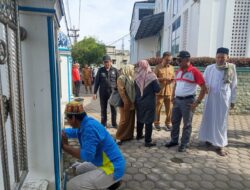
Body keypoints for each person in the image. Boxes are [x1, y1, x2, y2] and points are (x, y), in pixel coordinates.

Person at [62, 101, 125, 190]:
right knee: (79, 169)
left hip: (112, 168)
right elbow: (74, 132)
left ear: (73, 118)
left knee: (71, 186)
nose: (67, 121)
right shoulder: (84, 123)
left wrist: (65, 147)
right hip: (102, 162)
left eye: (67, 118)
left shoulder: (89, 129)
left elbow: (88, 155)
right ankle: (111, 183)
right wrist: (63, 133)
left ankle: (113, 181)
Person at [199, 47, 237, 156]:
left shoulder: (231, 68)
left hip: (223, 98)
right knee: (208, 118)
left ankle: (220, 145)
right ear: (215, 57)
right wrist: (204, 87)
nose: (220, 59)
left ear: (227, 57)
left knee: (221, 121)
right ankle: (208, 138)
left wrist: (233, 100)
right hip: (210, 97)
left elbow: (234, 85)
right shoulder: (210, 68)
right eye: (218, 57)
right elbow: (203, 81)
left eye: (223, 57)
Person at [165, 51, 206, 152]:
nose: (178, 62)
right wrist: (173, 96)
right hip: (177, 101)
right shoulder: (178, 71)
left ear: (187, 60)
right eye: (177, 60)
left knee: (187, 124)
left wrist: (197, 103)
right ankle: (174, 140)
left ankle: (184, 143)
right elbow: (176, 84)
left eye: (179, 60)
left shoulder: (195, 71)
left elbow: (204, 88)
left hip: (188, 101)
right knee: (174, 122)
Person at [135, 60, 161, 147]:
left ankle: (139, 135)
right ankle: (147, 141)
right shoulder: (152, 76)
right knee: (149, 121)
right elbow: (157, 89)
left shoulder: (137, 76)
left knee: (140, 118)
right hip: (149, 102)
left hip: (139, 101)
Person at [93, 55, 119, 128]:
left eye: (108, 62)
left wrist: (119, 92)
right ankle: (103, 124)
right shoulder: (100, 70)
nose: (106, 64)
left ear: (111, 62)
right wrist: (94, 93)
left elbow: (119, 81)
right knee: (103, 109)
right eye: (105, 62)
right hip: (103, 93)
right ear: (103, 63)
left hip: (113, 93)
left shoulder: (115, 70)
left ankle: (114, 123)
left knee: (114, 109)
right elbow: (97, 82)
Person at [154, 52, 175, 131]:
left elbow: (173, 77)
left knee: (169, 109)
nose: (168, 61)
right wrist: (163, 79)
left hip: (169, 92)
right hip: (160, 92)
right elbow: (154, 78)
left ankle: (168, 123)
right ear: (163, 58)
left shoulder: (172, 68)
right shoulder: (157, 67)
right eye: (167, 60)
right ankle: (156, 123)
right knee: (157, 109)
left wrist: (172, 80)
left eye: (170, 60)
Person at [116, 65, 136, 145]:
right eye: (132, 69)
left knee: (131, 119)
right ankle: (119, 137)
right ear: (128, 69)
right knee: (124, 119)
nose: (133, 70)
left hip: (131, 101)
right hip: (125, 102)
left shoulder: (131, 77)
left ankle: (128, 136)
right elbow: (121, 91)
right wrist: (125, 101)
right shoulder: (121, 78)